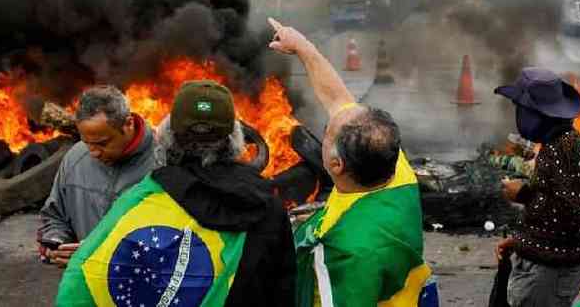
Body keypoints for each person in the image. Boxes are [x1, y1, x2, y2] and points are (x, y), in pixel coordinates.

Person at [56, 80, 296, 306]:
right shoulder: (269, 206)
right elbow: (283, 290)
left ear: (168, 136)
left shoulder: (142, 199)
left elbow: (87, 277)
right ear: (235, 138)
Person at [267, 18, 432, 307]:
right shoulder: (397, 172)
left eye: (327, 133)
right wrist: (302, 47)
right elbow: (337, 98)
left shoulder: (346, 252)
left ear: (336, 164)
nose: (328, 120)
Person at [493, 67, 580, 307]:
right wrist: (519, 240)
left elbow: (574, 216)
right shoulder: (559, 144)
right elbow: (554, 201)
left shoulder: (565, 149)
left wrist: (523, 194)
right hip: (543, 272)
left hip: (548, 278)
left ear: (537, 114)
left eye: (522, 109)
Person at [39, 85, 156, 268]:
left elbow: (177, 238)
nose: (93, 153)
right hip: (84, 286)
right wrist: (56, 242)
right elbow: (54, 216)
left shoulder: (163, 163)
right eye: (86, 143)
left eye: (102, 143)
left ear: (128, 124)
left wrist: (103, 254)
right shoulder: (75, 159)